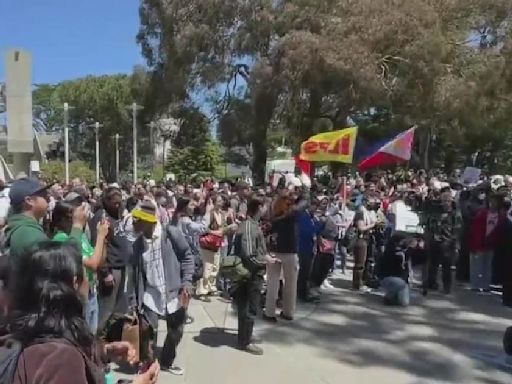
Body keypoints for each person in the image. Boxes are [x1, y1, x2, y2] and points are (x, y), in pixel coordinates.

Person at [8, 241, 159, 384]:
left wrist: (104, 351)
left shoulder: (36, 335)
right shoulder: (60, 359)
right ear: (74, 283)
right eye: (86, 274)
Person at [131, 201, 194, 376]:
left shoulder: (170, 234)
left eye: (139, 221)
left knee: (176, 330)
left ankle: (166, 361)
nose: (135, 225)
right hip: (150, 294)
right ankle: (148, 364)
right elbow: (135, 274)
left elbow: (187, 257)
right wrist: (134, 300)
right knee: (147, 331)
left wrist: (186, 283)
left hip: (174, 293)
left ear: (149, 221)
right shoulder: (137, 244)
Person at [51, 199, 110, 334]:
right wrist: (100, 236)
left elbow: (99, 261)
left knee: (92, 334)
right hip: (78, 296)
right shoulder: (62, 239)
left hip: (91, 292)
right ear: (62, 220)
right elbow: (92, 264)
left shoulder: (81, 235)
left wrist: (104, 239)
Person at [233, 196, 276, 355]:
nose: (267, 210)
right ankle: (245, 341)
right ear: (259, 208)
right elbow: (249, 255)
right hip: (250, 274)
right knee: (249, 308)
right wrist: (265, 261)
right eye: (265, 207)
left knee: (246, 307)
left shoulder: (252, 225)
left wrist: (265, 257)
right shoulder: (249, 227)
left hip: (250, 273)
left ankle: (244, 337)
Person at [6, 178, 86, 262]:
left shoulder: (22, 227)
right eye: (43, 194)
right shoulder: (28, 233)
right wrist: (77, 225)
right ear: (29, 201)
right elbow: (65, 261)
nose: (48, 197)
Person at [89, 187, 132, 334]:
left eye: (120, 202)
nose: (118, 206)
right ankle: (95, 341)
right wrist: (105, 272)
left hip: (121, 266)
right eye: (114, 203)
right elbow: (98, 245)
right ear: (106, 201)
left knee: (118, 309)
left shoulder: (117, 214)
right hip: (111, 268)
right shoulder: (102, 217)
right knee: (105, 310)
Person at [196, 193, 237, 301]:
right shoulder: (209, 214)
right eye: (219, 201)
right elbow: (204, 229)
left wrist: (229, 228)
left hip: (218, 243)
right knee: (207, 266)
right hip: (209, 243)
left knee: (215, 266)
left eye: (221, 201)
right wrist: (217, 232)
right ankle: (202, 291)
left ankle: (211, 286)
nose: (221, 202)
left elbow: (223, 228)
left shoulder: (222, 214)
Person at [423, 191, 462, 294]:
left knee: (447, 266)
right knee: (432, 264)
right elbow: (428, 226)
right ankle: (431, 283)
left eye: (448, 201)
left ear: (451, 201)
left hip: (448, 243)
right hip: (434, 241)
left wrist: (450, 241)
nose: (445, 203)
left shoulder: (455, 214)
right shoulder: (435, 212)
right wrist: (429, 238)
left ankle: (447, 287)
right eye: (444, 201)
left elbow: (457, 230)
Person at [468, 193, 504, 292]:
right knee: (477, 264)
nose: (493, 203)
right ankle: (475, 285)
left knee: (488, 265)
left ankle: (485, 285)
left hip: (491, 244)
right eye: (491, 201)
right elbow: (474, 229)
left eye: (495, 202)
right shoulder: (482, 213)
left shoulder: (500, 216)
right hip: (479, 242)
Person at [296, 199, 319, 302]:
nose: (316, 208)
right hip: (302, 248)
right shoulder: (303, 216)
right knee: (302, 272)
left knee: (306, 273)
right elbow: (306, 231)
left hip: (309, 248)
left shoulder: (312, 218)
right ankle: (301, 293)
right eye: (314, 206)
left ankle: (303, 292)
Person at [378, 234, 411, 306]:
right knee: (400, 284)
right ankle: (389, 297)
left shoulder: (403, 253)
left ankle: (395, 295)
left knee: (404, 302)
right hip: (388, 277)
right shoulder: (391, 252)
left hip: (399, 279)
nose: (405, 243)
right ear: (397, 242)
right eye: (403, 242)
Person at [352, 198, 376, 290]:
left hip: (368, 239)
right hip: (361, 239)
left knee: (367, 262)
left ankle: (364, 282)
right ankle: (357, 284)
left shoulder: (370, 213)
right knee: (360, 263)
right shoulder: (360, 213)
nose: (373, 203)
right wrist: (373, 224)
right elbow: (361, 228)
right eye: (371, 201)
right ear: (365, 202)